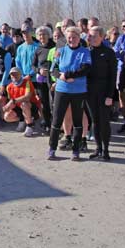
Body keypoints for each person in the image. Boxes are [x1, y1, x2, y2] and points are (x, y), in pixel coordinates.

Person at [48, 27, 91, 161]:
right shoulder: (60, 51)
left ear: (79, 37)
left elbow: (85, 69)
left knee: (77, 120)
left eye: (74, 37)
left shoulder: (85, 52)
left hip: (78, 91)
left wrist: (69, 75)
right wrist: (60, 76)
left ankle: (76, 151)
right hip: (62, 89)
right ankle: (52, 149)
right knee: (57, 119)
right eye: (69, 37)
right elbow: (53, 69)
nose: (71, 40)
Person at [86, 26, 117, 160]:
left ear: (101, 37)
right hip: (89, 92)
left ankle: (106, 149)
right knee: (95, 121)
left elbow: (113, 75)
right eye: (90, 35)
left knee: (104, 121)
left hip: (104, 92)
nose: (91, 38)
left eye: (94, 36)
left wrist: (110, 95)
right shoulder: (87, 52)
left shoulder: (109, 52)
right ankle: (98, 148)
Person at [31, 26, 55, 133]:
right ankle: (47, 124)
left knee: (53, 102)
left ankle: (56, 125)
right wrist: (39, 70)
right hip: (41, 80)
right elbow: (33, 65)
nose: (42, 37)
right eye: (40, 35)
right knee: (44, 103)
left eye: (44, 34)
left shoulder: (54, 47)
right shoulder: (38, 49)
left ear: (48, 35)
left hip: (52, 79)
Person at [2, 67, 38, 136]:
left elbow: (27, 97)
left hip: (31, 106)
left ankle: (30, 125)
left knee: (24, 104)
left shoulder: (27, 82)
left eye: (16, 74)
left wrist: (13, 101)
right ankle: (23, 120)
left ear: (20, 74)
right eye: (12, 74)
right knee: (6, 117)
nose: (14, 76)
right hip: (19, 107)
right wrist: (7, 107)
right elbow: (12, 101)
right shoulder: (9, 87)